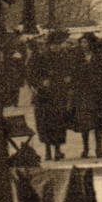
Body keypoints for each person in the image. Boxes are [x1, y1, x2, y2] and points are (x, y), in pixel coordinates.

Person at [30, 30, 73, 161]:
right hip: (44, 96)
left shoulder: (64, 57)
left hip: (59, 94)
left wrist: (69, 78)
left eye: (58, 45)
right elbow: (31, 74)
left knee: (59, 122)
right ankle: (48, 150)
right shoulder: (40, 57)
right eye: (54, 45)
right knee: (45, 122)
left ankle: (57, 150)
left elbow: (70, 71)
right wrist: (40, 82)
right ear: (49, 45)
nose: (56, 47)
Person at [71, 32, 102, 159]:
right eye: (82, 42)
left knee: (98, 123)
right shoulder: (77, 56)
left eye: (85, 42)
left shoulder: (100, 56)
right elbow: (73, 72)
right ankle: (85, 148)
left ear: (91, 43)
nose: (83, 45)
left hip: (97, 93)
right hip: (83, 93)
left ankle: (99, 148)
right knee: (84, 123)